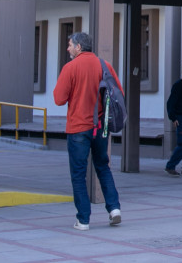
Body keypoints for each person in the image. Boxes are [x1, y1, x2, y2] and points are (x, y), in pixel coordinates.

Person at [53, 32, 122, 231]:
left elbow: (59, 99)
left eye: (69, 45)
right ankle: (114, 208)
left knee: (78, 174)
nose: (68, 49)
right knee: (103, 166)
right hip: (100, 127)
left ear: (79, 47)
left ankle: (83, 219)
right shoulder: (105, 65)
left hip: (78, 129)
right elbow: (118, 93)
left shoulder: (71, 67)